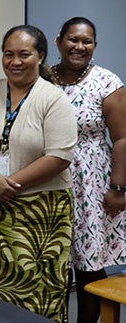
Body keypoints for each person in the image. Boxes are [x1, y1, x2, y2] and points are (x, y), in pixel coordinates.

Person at [0, 25, 77, 322]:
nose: (15, 61)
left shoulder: (53, 98)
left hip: (40, 215)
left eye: (24, 54)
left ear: (40, 56)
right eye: (8, 54)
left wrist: (8, 185)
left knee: (37, 291)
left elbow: (60, 156)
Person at [51, 17, 126, 323]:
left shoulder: (107, 82)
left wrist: (118, 188)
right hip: (49, 177)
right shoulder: (42, 77)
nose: (79, 47)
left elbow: (122, 138)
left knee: (87, 265)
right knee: (51, 258)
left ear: (95, 46)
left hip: (91, 181)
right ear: (59, 41)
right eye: (73, 39)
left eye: (87, 41)